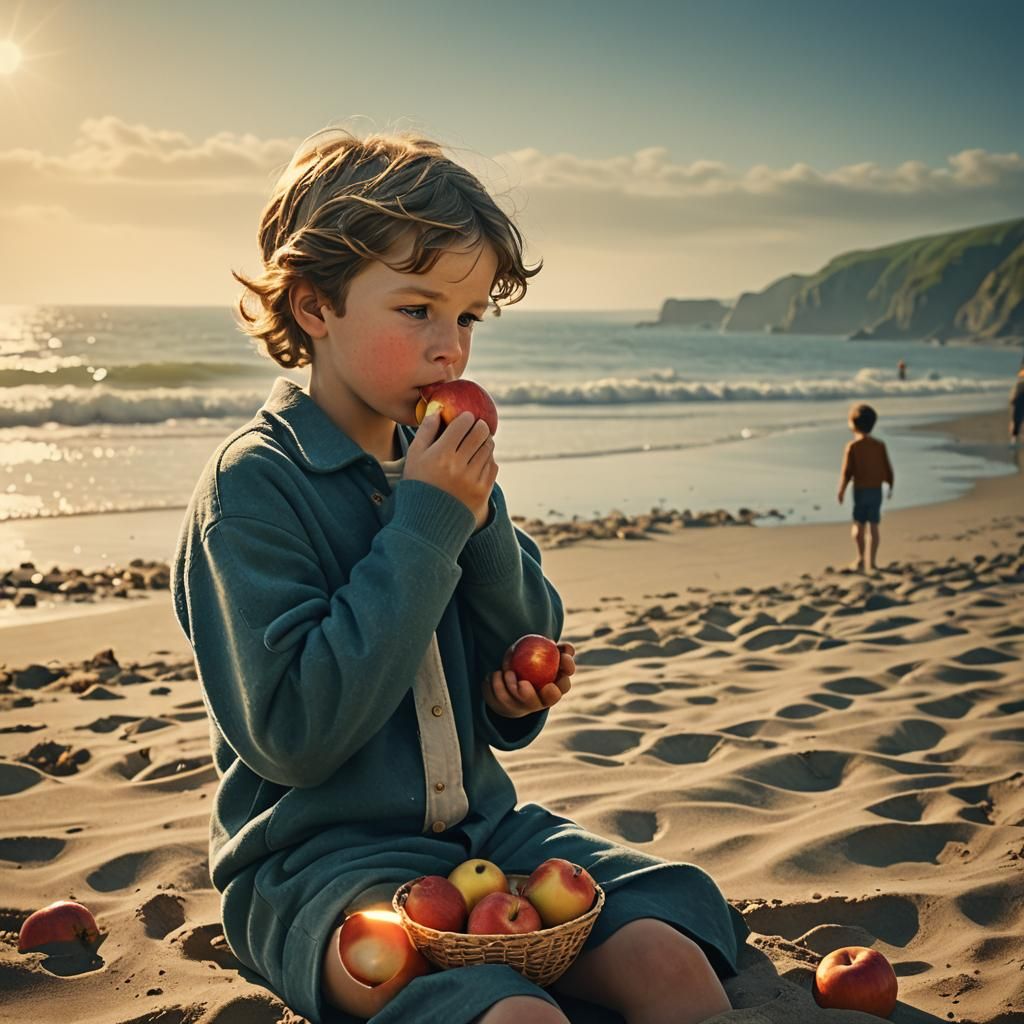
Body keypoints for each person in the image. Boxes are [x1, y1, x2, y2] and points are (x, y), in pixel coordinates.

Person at [171, 128, 747, 1024]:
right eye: (418, 310)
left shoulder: (435, 460)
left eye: (469, 317)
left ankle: (519, 969)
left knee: (677, 957)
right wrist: (431, 522)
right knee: (518, 1020)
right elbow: (297, 734)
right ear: (316, 306)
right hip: (322, 864)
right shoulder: (253, 487)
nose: (453, 349)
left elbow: (523, 639)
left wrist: (511, 690)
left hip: (479, 836)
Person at [837, 403, 895, 572]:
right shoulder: (879, 445)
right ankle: (873, 561)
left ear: (853, 424)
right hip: (876, 490)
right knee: (874, 526)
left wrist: (841, 490)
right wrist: (890, 484)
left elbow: (847, 472)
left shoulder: (853, 447)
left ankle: (861, 558)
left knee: (859, 526)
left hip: (860, 491)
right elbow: (887, 467)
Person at [1010, 367, 1024, 446]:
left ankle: (1014, 440)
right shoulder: (1019, 384)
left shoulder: (1019, 385)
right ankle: (1014, 440)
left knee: (1017, 424)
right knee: (1018, 424)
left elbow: (1013, 402)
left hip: (1018, 409)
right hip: (1019, 408)